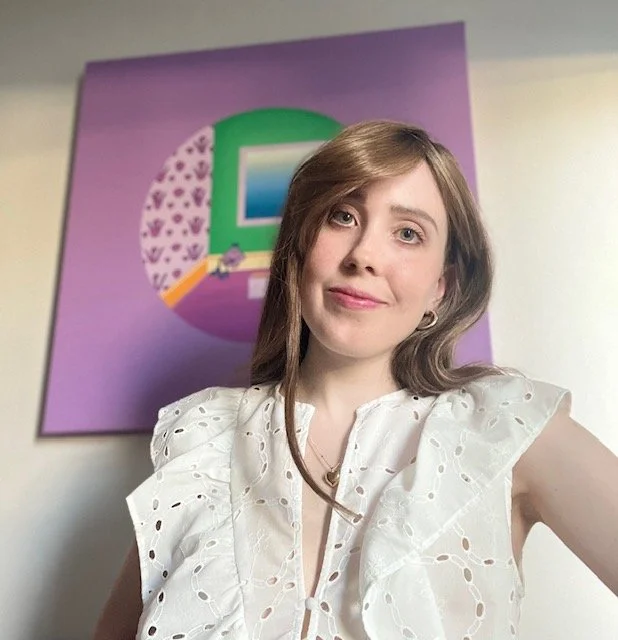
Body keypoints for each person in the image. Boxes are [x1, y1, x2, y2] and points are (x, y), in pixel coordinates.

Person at [93, 121, 618, 640]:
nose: (364, 255)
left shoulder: (505, 431)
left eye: (408, 233)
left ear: (441, 287)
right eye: (342, 216)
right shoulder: (203, 435)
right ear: (300, 245)